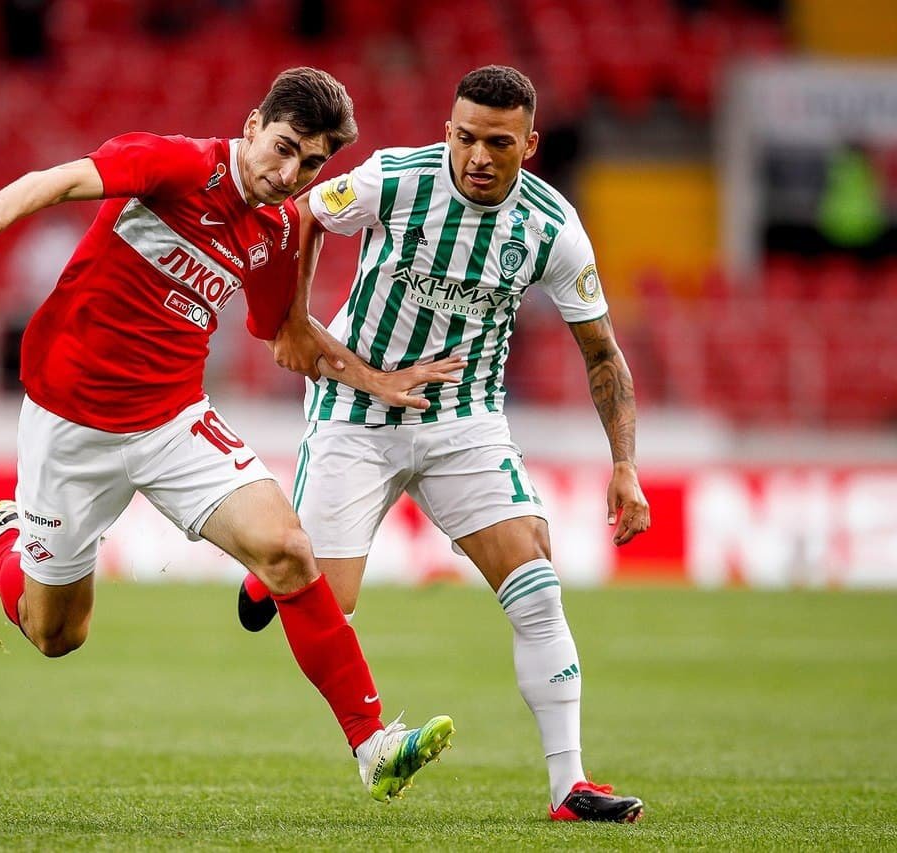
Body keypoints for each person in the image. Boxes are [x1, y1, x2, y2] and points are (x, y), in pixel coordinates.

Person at [0, 67, 466, 801]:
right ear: (252, 125)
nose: (289, 174)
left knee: (287, 550)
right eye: (284, 147)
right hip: (71, 423)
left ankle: (374, 743)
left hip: (174, 421)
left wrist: (378, 380)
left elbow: (288, 337)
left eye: (310, 163)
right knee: (56, 635)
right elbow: (64, 178)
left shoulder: (275, 232)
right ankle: (3, 543)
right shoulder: (176, 164)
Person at [236, 65, 651, 822]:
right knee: (325, 604)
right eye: (465, 138)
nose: (478, 157)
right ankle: (275, 575)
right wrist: (293, 324)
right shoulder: (395, 180)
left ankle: (569, 786)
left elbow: (602, 353)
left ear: (530, 143)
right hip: (355, 409)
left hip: (465, 420)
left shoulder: (552, 227)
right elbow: (303, 215)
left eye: (499, 143)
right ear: (447, 131)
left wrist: (624, 464)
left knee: (536, 580)